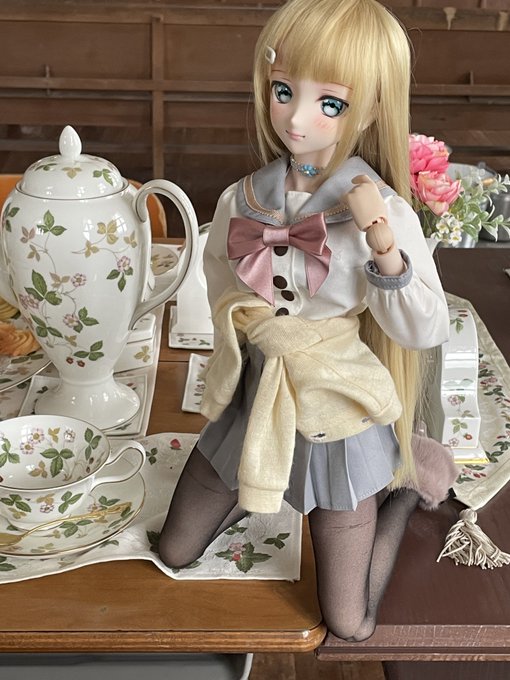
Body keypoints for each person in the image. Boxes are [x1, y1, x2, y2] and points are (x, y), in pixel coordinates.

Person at [159, 0, 456, 641]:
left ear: (369, 109)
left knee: (349, 622)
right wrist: (246, 329)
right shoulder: (241, 198)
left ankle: (402, 489)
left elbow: (427, 329)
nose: (296, 118)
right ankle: (261, 482)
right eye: (283, 91)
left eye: (330, 102)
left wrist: (382, 246)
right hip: (257, 392)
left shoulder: (383, 212)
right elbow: (217, 277)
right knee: (174, 551)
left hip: (333, 408)